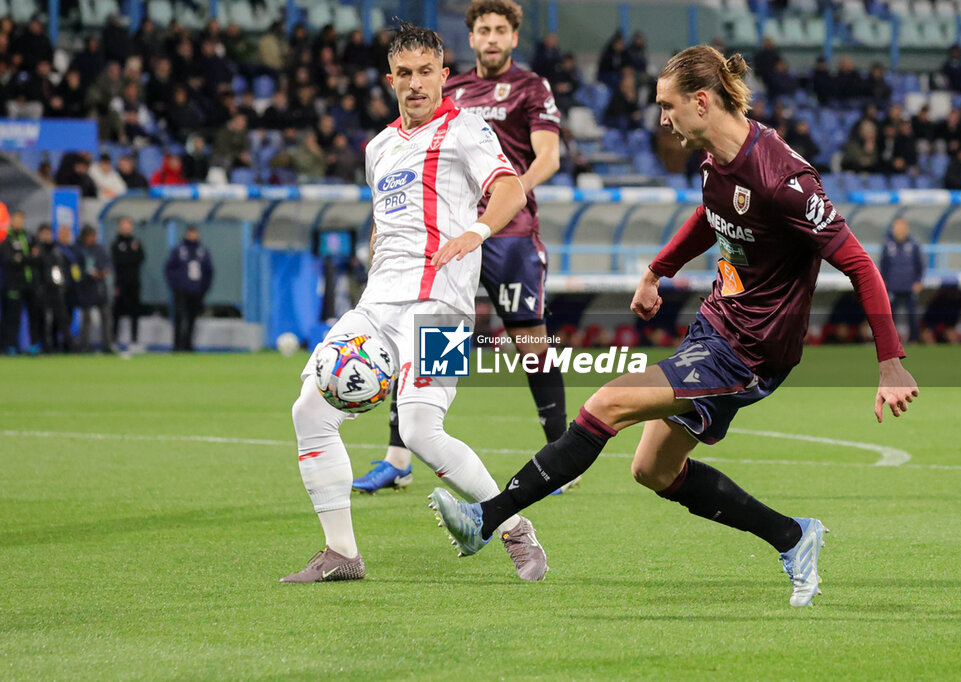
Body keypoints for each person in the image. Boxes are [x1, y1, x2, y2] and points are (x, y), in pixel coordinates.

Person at [430, 45, 920, 607]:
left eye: (667, 106)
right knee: (653, 469)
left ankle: (484, 520)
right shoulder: (717, 159)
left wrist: (890, 362)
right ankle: (793, 536)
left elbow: (858, 262)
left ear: (702, 101)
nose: (661, 119)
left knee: (605, 405)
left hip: (753, 353)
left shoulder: (785, 179)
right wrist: (658, 270)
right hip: (717, 328)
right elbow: (710, 216)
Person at [281, 22, 547, 584]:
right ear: (390, 80)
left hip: (442, 307)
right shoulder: (377, 148)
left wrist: (475, 232)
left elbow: (509, 188)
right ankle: (341, 553)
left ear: (444, 76)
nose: (416, 83)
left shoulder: (465, 128)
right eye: (405, 74)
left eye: (426, 71)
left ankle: (514, 527)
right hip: (376, 306)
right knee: (309, 410)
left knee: (424, 432)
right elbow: (384, 225)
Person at [355, 0, 567, 495]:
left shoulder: (531, 88)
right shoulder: (443, 90)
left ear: (514, 37)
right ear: (469, 39)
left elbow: (549, 157)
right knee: (419, 328)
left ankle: (561, 455)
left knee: (529, 340)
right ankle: (400, 455)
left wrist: (503, 196)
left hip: (506, 232)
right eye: (483, 30)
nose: (491, 38)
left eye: (500, 30)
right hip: (445, 235)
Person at [164, 225, 213, 352]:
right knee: (179, 317)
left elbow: (209, 271)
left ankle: (188, 345)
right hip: (181, 290)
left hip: (196, 290)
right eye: (191, 233)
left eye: (194, 233)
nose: (193, 235)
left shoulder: (202, 251)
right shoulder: (179, 250)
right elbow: (169, 269)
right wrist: (175, 285)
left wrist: (204, 288)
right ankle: (177, 345)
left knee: (192, 318)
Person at [0, 211, 41, 354]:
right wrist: (28, 258)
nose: (19, 222)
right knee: (13, 316)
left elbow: (37, 258)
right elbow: (9, 260)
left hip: (31, 283)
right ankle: (11, 345)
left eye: (21, 219)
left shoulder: (29, 237)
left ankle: (34, 345)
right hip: (14, 284)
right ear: (12, 220)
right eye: (17, 219)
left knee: (34, 315)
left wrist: (22, 258)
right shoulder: (7, 240)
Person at [879, 218, 924, 343]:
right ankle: (889, 342)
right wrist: (884, 283)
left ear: (906, 229)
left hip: (910, 287)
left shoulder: (914, 244)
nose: (899, 231)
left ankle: (914, 339)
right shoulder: (888, 245)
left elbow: (919, 265)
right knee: (889, 316)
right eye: (896, 228)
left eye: (901, 228)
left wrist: (918, 281)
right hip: (893, 287)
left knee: (912, 315)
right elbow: (883, 266)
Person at [33, 223, 74, 353]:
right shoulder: (36, 249)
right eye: (44, 234)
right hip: (42, 289)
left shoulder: (56, 249)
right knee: (44, 320)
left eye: (48, 233)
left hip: (56, 289)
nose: (46, 236)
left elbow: (60, 269)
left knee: (62, 318)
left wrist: (62, 284)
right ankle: (46, 346)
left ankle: (69, 346)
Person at [75, 225, 114, 353]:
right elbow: (77, 268)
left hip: (100, 288)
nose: (93, 239)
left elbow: (108, 262)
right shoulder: (79, 249)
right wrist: (88, 273)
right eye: (91, 236)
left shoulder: (99, 248)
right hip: (86, 288)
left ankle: (107, 345)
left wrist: (104, 271)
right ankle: (84, 345)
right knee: (86, 319)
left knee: (106, 316)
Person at [111, 217, 145, 350]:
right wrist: (131, 256)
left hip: (134, 283)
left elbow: (141, 258)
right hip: (120, 284)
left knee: (135, 312)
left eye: (128, 225)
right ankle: (113, 340)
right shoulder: (116, 243)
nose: (126, 228)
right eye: (123, 225)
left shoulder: (136, 242)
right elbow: (119, 260)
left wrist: (129, 257)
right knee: (117, 312)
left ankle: (134, 341)